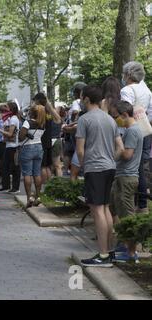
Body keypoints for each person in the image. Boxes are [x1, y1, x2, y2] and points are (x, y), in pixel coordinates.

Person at [76, 85, 124, 268]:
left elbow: (80, 150)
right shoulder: (110, 120)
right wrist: (109, 159)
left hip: (94, 168)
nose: (81, 100)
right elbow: (120, 147)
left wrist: (84, 165)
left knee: (97, 210)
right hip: (109, 168)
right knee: (105, 209)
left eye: (81, 97)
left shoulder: (84, 119)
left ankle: (103, 255)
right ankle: (108, 252)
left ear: (87, 99)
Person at [108, 101, 143, 263]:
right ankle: (123, 245)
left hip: (127, 177)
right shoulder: (132, 130)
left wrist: (117, 148)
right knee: (115, 209)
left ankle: (131, 253)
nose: (116, 120)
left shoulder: (132, 131)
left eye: (117, 116)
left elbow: (127, 154)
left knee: (127, 216)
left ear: (124, 115)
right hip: (123, 176)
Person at [120, 61, 152, 214]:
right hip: (146, 131)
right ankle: (143, 204)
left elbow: (125, 111)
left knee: (132, 167)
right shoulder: (147, 91)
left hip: (132, 131)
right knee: (142, 167)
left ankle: (131, 202)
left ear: (128, 74)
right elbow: (150, 114)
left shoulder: (127, 89)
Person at [19, 104, 46, 208]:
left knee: (27, 174)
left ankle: (29, 198)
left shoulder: (27, 122)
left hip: (28, 148)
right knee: (37, 173)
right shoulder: (42, 124)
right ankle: (38, 197)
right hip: (39, 147)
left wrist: (24, 134)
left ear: (31, 113)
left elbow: (21, 137)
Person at [32, 93, 62, 184]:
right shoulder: (49, 113)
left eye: (35, 101)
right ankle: (48, 187)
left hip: (41, 142)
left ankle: (43, 187)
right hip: (48, 141)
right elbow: (59, 119)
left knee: (42, 166)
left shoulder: (39, 112)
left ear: (37, 101)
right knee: (48, 166)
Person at [0, 101, 21, 193]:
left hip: (13, 146)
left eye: (6, 107)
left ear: (11, 109)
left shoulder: (13, 119)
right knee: (5, 166)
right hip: (9, 145)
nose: (4, 109)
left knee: (14, 167)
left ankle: (15, 187)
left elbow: (10, 134)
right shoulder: (9, 119)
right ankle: (6, 186)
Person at [63, 83, 86, 176]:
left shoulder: (76, 102)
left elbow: (76, 111)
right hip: (77, 127)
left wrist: (73, 118)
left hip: (76, 131)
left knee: (73, 151)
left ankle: (73, 172)